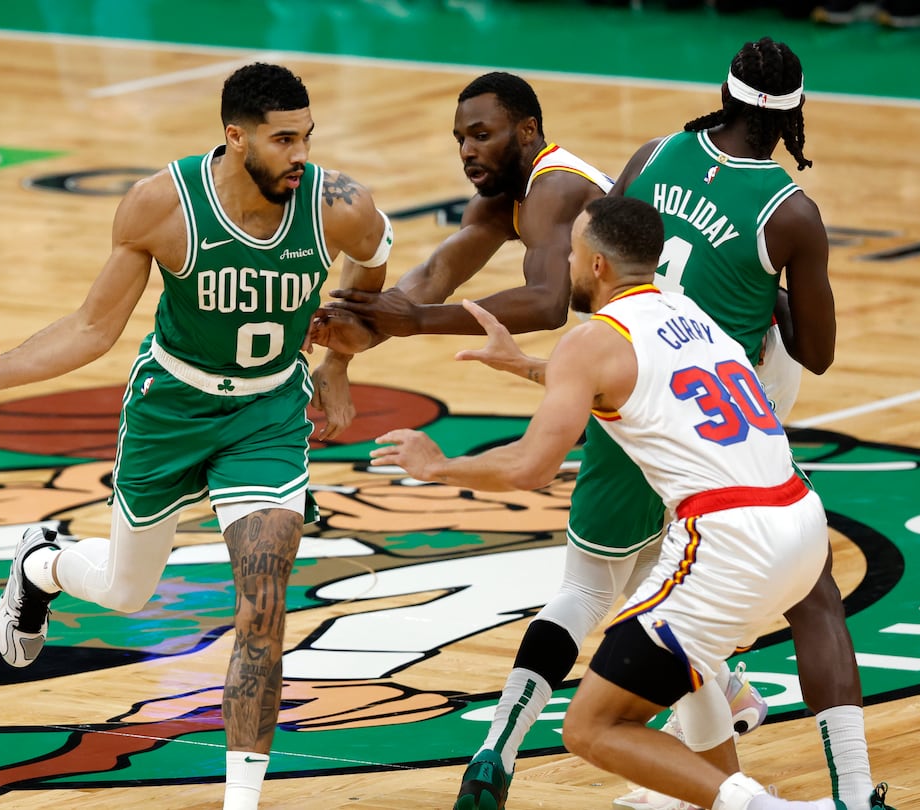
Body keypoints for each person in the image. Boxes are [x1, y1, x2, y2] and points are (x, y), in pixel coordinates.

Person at [311, 72, 760, 810]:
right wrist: (340, 350)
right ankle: (725, 745)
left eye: (480, 133)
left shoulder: (553, 189)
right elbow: (434, 273)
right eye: (459, 136)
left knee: (588, 589)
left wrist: (411, 321)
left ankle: (499, 750)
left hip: (654, 376)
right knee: (656, 593)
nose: (466, 148)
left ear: (525, 132)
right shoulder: (505, 197)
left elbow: (549, 303)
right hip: (672, 377)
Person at [0, 62, 393, 810]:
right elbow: (92, 329)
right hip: (172, 409)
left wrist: (337, 362)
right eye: (282, 138)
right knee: (128, 592)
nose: (300, 154)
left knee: (263, 601)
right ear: (235, 138)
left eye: (307, 136)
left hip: (265, 415)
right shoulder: (160, 206)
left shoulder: (339, 203)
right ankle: (42, 565)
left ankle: (241, 801)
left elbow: (375, 260)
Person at [371, 195, 836, 810]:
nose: (565, 258)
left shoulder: (593, 340)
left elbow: (531, 465)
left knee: (591, 726)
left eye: (571, 250)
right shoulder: (685, 308)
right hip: (801, 524)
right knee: (688, 671)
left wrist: (437, 466)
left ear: (594, 264)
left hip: (729, 540)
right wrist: (533, 367)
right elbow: (635, 382)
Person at [608, 37, 893, 810]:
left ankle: (714, 731)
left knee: (654, 570)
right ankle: (850, 788)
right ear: (795, 117)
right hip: (722, 405)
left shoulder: (651, 154)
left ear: (722, 94)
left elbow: (600, 264)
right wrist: (766, 288)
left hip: (629, 389)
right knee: (812, 594)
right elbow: (819, 352)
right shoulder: (790, 211)